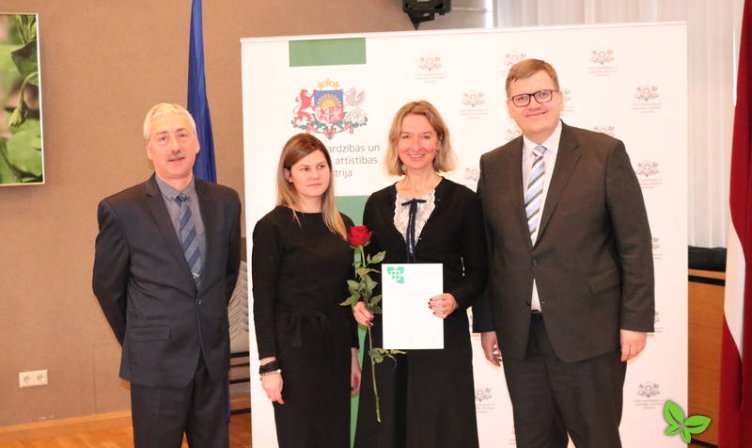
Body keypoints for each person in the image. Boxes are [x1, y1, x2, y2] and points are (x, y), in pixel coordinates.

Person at [473, 58, 655, 447]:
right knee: (534, 440)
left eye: (542, 93)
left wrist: (635, 320)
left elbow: (635, 244)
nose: (533, 104)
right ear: (509, 107)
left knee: (597, 439)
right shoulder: (493, 164)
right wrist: (487, 323)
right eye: (521, 97)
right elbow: (488, 252)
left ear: (559, 97)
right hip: (521, 337)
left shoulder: (603, 153)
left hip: (591, 334)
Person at [92, 103, 241, 448]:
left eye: (182, 135)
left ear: (197, 143)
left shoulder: (225, 201)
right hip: (155, 362)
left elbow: (227, 272)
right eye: (163, 138)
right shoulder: (121, 209)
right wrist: (141, 336)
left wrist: (204, 319)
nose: (174, 146)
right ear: (149, 149)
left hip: (211, 358)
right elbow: (107, 288)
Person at [352, 100, 487, 448]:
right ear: (396, 143)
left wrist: (456, 298)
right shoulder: (376, 203)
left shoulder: (463, 201)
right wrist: (362, 303)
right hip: (389, 336)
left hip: (443, 333)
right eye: (407, 136)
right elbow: (369, 271)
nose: (416, 145)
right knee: (389, 426)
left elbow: (479, 270)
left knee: (442, 426)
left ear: (439, 141)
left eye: (425, 136)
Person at [251, 133, 361, 448]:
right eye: (305, 168)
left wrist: (352, 355)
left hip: (335, 350)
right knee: (300, 437)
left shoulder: (342, 224)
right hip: (293, 353)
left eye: (321, 166)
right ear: (288, 175)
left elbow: (347, 295)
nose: (315, 175)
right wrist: (269, 366)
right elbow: (263, 301)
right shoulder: (272, 227)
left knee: (336, 437)